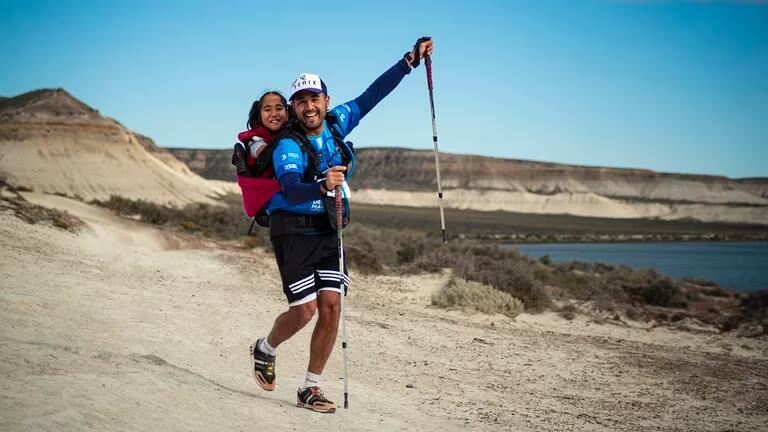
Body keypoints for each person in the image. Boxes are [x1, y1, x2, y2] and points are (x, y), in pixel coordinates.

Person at [249, 37, 435, 413]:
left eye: (314, 98)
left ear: (326, 101)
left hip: (328, 229)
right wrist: (322, 184)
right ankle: (265, 347)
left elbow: (373, 95)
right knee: (304, 311)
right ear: (294, 107)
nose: (309, 105)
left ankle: (310, 388)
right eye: (300, 101)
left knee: (332, 306)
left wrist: (410, 61)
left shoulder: (337, 123)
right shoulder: (288, 145)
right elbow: (290, 188)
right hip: (293, 228)